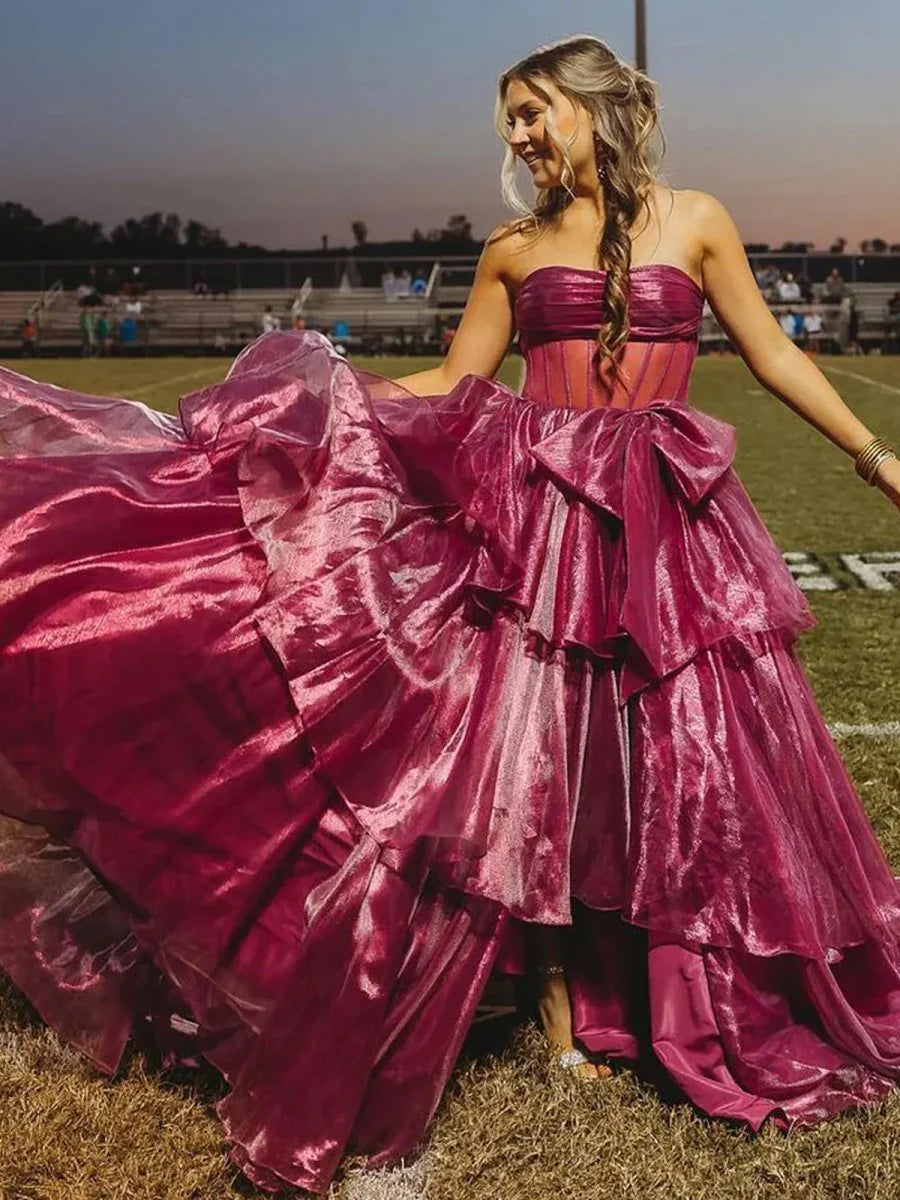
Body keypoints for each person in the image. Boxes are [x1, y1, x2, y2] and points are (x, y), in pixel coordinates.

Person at [0, 33, 899, 1199]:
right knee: (545, 768)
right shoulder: (511, 250)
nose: (519, 138)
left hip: (674, 520)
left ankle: (703, 992)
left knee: (697, 761)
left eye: (534, 113)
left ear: (593, 108)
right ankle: (571, 1017)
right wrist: (314, 392)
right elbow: (454, 383)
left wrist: (879, 459)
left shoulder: (698, 217)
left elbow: (773, 352)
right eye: (509, 120)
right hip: (543, 521)